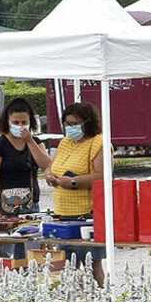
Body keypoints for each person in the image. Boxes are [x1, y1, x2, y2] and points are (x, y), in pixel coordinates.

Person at [44, 102, 110, 286]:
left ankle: (103, 298)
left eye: (75, 123)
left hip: (86, 214)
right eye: (67, 123)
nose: (70, 127)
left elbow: (102, 175)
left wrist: (73, 182)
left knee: (92, 263)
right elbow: (53, 165)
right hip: (63, 214)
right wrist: (49, 174)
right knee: (67, 265)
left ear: (87, 122)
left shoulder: (99, 143)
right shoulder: (65, 142)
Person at [0, 98, 52, 257]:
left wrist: (29, 140)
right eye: (16, 122)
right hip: (5, 206)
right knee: (6, 255)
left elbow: (48, 166)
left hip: (30, 205)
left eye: (24, 122)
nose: (20, 126)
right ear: (7, 122)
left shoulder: (35, 142)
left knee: (31, 254)